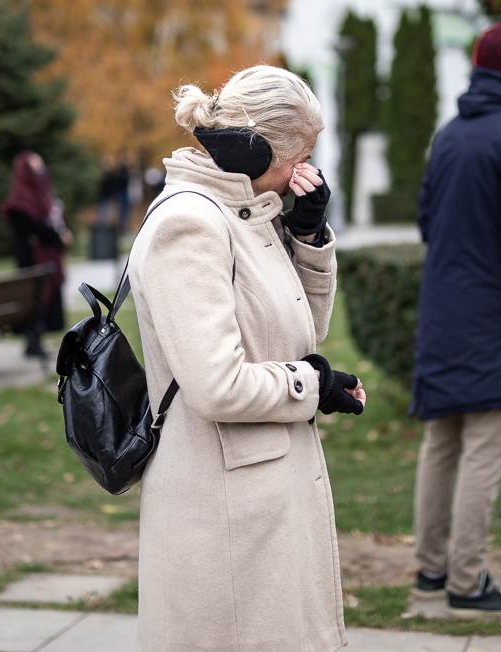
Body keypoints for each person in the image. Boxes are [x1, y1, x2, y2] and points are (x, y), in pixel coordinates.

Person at [129, 65, 366, 651]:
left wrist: (307, 238)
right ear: (261, 149)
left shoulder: (247, 213)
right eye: (300, 156)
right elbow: (217, 385)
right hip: (226, 507)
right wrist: (316, 385)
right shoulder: (190, 223)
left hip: (262, 494)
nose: (304, 173)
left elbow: (301, 334)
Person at [410, 23, 501, 617]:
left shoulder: (450, 135)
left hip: (443, 309)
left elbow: (426, 220)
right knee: (484, 448)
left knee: (441, 441)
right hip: (496, 313)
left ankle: (429, 579)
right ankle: (468, 585)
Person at [0, 151, 71, 358]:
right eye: (36, 168)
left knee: (41, 298)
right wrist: (58, 237)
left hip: (45, 258)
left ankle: (35, 342)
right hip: (33, 260)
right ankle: (33, 341)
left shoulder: (42, 197)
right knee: (34, 298)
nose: (41, 171)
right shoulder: (20, 202)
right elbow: (33, 228)